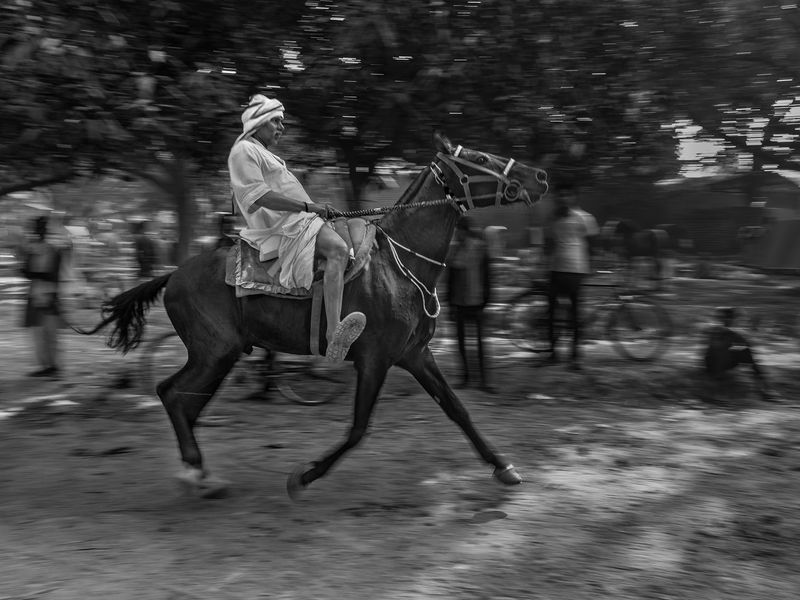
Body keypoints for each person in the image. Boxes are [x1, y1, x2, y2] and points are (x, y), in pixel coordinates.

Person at [228, 95, 365, 362]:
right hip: (286, 228)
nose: (281, 127)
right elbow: (258, 196)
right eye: (276, 121)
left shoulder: (265, 154)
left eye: (282, 122)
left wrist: (314, 209)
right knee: (338, 250)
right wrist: (309, 207)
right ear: (258, 122)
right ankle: (333, 334)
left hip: (300, 221)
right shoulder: (243, 150)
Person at [543, 183, 599, 369]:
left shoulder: (585, 218)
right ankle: (553, 353)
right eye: (560, 195)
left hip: (576, 270)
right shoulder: (552, 218)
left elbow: (592, 245)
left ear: (574, 197)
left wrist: (592, 266)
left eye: (567, 195)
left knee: (574, 314)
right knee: (552, 313)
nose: (563, 198)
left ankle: (575, 356)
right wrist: (541, 265)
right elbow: (548, 244)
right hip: (555, 269)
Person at [446, 216, 495, 392]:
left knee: (479, 344)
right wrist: (450, 304)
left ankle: (481, 380)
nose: (456, 234)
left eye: (458, 231)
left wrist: (487, 299)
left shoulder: (479, 249)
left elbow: (487, 275)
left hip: (476, 302)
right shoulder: (456, 251)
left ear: (464, 231)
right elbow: (450, 280)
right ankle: (467, 377)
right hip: (461, 302)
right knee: (463, 343)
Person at [19, 215, 64, 377]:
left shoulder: (54, 250)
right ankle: (46, 366)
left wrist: (34, 272)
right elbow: (26, 271)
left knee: (49, 333)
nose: (39, 231)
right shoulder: (32, 249)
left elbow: (53, 275)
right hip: (36, 294)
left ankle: (53, 366)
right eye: (38, 228)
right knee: (39, 333)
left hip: (49, 294)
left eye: (42, 228)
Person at [703, 307, 772, 400]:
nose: (736, 321)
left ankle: (763, 389)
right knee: (746, 352)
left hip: (710, 367)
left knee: (742, 349)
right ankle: (763, 390)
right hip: (719, 369)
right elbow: (729, 349)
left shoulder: (712, 330)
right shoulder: (733, 334)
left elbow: (714, 350)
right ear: (729, 319)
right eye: (735, 318)